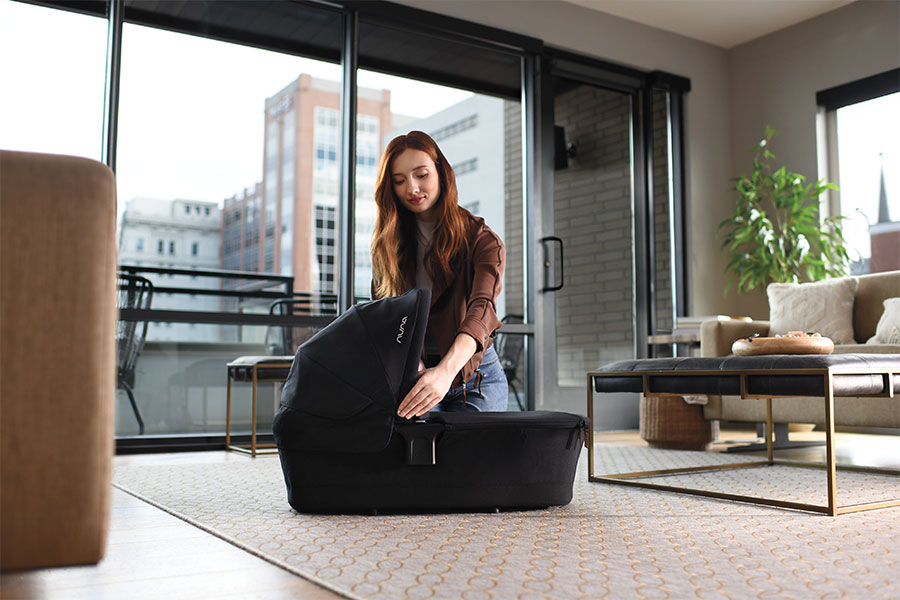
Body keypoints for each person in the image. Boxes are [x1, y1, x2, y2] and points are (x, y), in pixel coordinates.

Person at [371, 130, 507, 419]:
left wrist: (445, 372)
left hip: (476, 378)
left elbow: (482, 310)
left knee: (470, 448)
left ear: (441, 173)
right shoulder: (388, 246)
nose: (412, 188)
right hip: (415, 375)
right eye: (399, 181)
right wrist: (414, 366)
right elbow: (384, 315)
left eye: (421, 175)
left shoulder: (483, 240)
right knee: (412, 445)